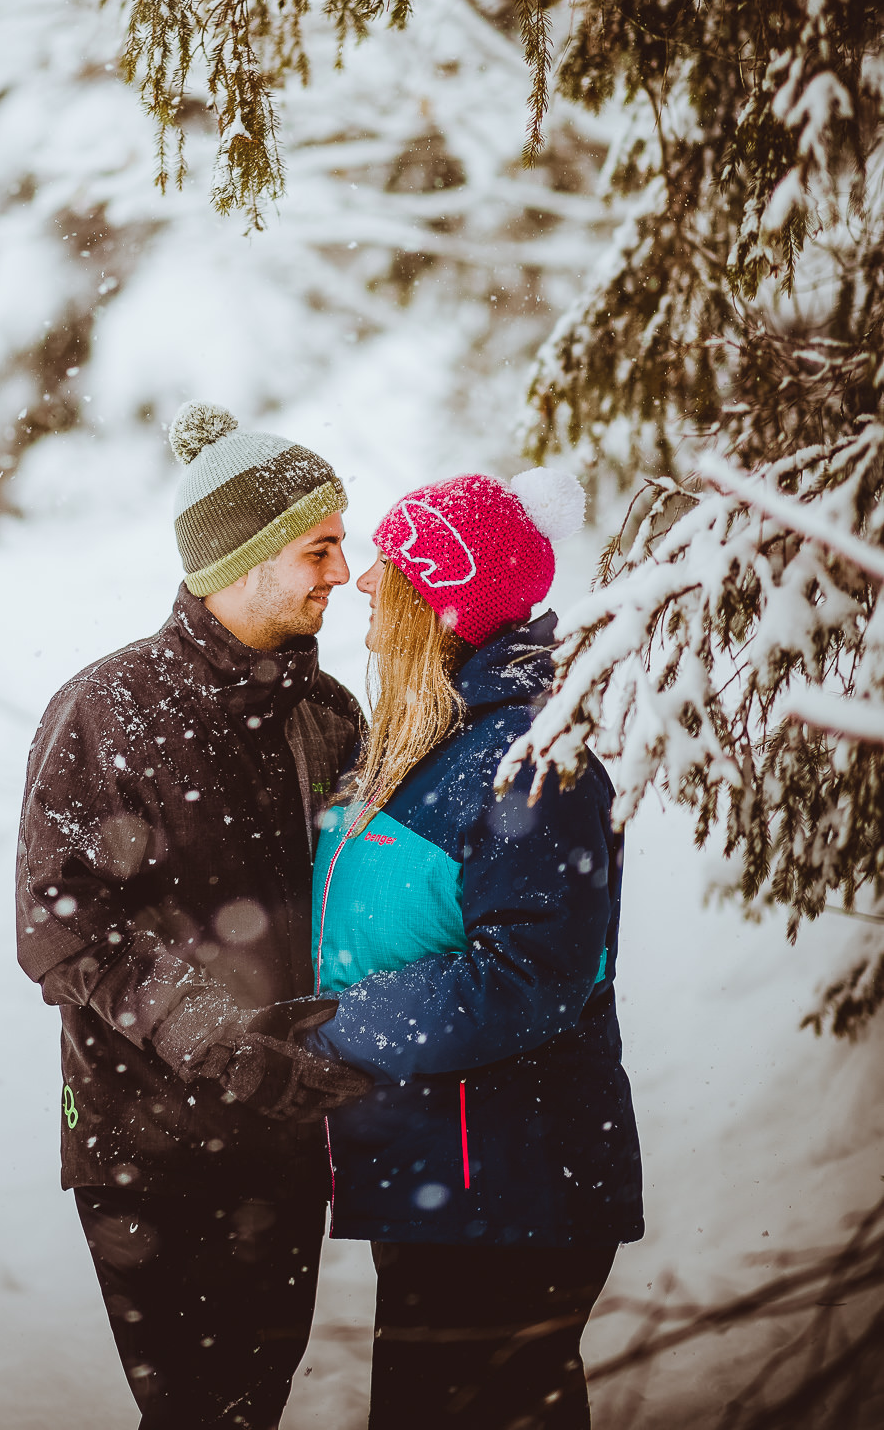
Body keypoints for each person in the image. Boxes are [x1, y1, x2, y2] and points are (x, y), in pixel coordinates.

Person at [16, 401, 372, 1430]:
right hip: (145, 1142)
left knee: (251, 1409)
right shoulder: (104, 709)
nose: (340, 572)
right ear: (245, 554)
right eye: (319, 547)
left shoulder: (326, 714)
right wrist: (215, 1036)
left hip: (283, 1142)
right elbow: (59, 926)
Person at [304, 468, 645, 1429]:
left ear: (443, 607)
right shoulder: (428, 737)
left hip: (509, 1184)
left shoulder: (529, 756)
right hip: (438, 1172)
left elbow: (530, 975)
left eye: (389, 567)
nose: (365, 584)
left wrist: (335, 1027)